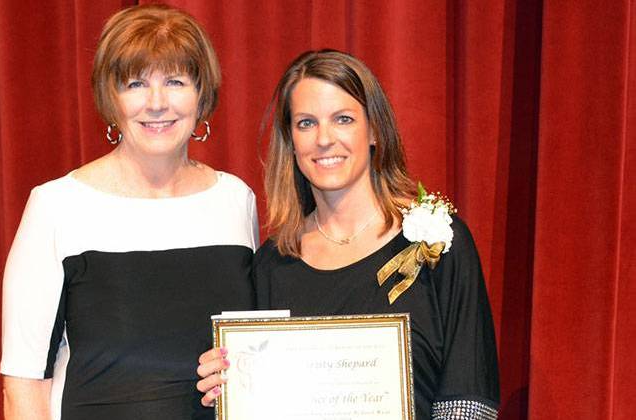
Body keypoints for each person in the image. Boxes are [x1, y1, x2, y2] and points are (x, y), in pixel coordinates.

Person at [197, 50, 500, 419]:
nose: (324, 139)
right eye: (306, 123)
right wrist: (230, 385)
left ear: (374, 130)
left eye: (343, 119)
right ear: (290, 141)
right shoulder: (273, 264)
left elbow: (469, 399)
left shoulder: (437, 242)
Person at [0, 5, 258, 420]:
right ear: (110, 98)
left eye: (175, 81)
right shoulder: (56, 206)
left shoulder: (235, 200)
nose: (156, 103)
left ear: (201, 94)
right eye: (136, 83)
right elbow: (23, 384)